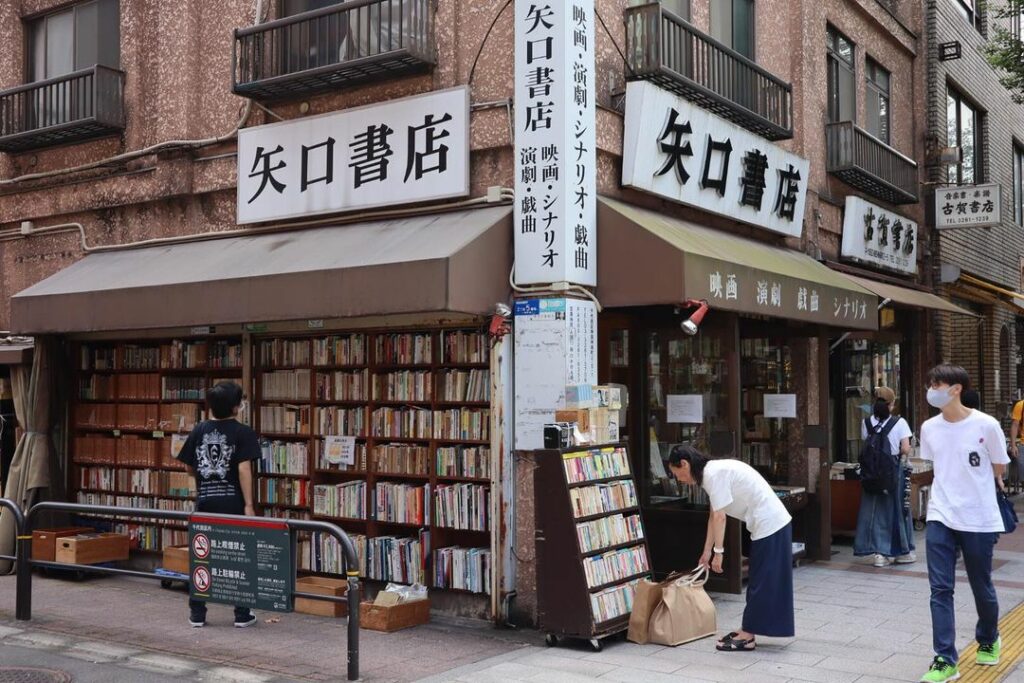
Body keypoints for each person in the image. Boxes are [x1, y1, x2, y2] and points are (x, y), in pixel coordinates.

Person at [918, 365, 1008, 682]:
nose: (932, 389)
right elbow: (936, 464)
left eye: (937, 383)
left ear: (956, 389)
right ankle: (944, 659)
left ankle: (989, 638)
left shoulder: (987, 424)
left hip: (979, 516)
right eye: (931, 383)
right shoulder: (929, 427)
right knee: (940, 589)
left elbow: (1000, 465)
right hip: (941, 513)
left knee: (980, 585)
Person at [668, 445, 793, 652]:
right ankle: (749, 629)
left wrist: (718, 553)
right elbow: (713, 514)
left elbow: (720, 516)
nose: (678, 479)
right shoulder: (712, 472)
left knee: (761, 581)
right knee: (762, 579)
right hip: (770, 523)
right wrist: (706, 552)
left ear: (684, 464)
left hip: (770, 524)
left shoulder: (712, 473)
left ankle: (748, 634)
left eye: (676, 474)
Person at [176, 381, 260, 629]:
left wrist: (203, 480)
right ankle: (242, 614)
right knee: (239, 556)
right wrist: (248, 505)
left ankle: (197, 614)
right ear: (236, 407)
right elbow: (244, 469)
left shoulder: (199, 430)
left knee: (202, 556)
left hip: (205, 501)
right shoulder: (242, 432)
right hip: (233, 502)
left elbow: (189, 465)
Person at [854, 386, 915, 567]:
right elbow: (905, 448)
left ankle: (877, 553)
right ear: (892, 404)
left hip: (871, 473)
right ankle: (899, 551)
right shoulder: (899, 422)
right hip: (893, 471)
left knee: (872, 510)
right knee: (896, 509)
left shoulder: (866, 423)